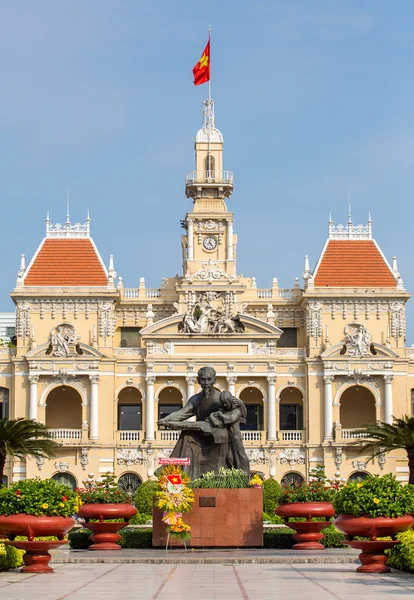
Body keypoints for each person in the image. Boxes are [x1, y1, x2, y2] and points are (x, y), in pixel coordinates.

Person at [157, 367, 250, 479]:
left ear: (214, 380)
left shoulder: (220, 398)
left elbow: (239, 412)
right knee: (186, 435)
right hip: (201, 434)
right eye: (203, 380)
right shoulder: (196, 399)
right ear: (199, 380)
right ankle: (177, 473)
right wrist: (166, 419)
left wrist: (240, 404)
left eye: (209, 379)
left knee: (224, 437)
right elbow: (182, 413)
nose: (206, 383)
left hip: (218, 436)